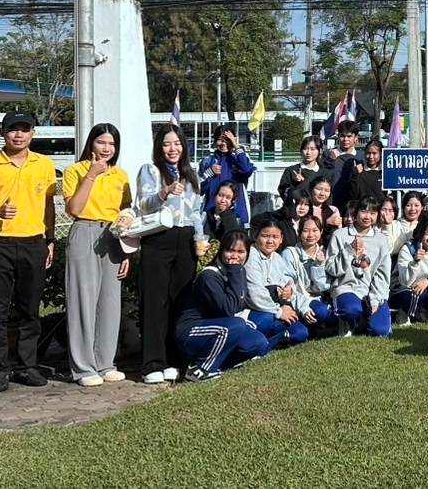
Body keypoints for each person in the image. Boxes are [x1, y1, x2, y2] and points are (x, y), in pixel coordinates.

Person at [0, 111, 58, 393]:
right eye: (13, 129)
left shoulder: (44, 164)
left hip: (34, 244)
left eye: (24, 129)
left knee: (30, 309)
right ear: (2, 133)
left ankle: (26, 366)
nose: (19, 135)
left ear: (33, 133)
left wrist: (50, 240)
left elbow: (48, 207)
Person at [135, 124, 209, 385]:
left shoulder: (191, 173)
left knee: (180, 301)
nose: (172, 149)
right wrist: (164, 192)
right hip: (158, 238)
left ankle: (173, 359)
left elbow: (197, 213)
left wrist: (200, 240)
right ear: (159, 147)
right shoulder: (151, 170)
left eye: (177, 143)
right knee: (155, 302)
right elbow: (143, 205)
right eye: (167, 144)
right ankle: (152, 363)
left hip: (185, 240)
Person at [61, 123, 132, 388]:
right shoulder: (75, 171)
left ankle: (105, 363)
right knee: (83, 300)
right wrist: (91, 174)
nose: (106, 148)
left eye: (112, 144)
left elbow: (127, 215)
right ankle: (83, 367)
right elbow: (74, 209)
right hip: (85, 231)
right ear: (91, 143)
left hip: (113, 236)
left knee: (110, 303)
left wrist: (127, 251)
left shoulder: (121, 176)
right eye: (101, 142)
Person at [173, 231, 272, 382]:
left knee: (258, 343)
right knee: (236, 325)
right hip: (192, 330)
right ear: (221, 251)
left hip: (219, 325)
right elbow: (229, 310)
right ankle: (199, 370)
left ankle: (219, 366)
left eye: (241, 252)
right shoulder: (209, 276)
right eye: (230, 250)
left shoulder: (236, 271)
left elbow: (239, 303)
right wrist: (235, 271)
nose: (235, 256)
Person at [326, 196, 393, 337]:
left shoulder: (381, 240)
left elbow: (382, 274)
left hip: (371, 291)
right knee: (352, 310)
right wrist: (349, 250)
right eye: (364, 211)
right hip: (346, 288)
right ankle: (347, 321)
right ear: (355, 213)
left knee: (380, 331)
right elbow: (331, 269)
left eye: (373, 213)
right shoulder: (340, 235)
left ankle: (363, 321)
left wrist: (375, 300)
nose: (368, 217)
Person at [244, 221, 313, 348]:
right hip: (255, 310)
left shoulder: (277, 258)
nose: (270, 241)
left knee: (301, 333)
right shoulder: (250, 256)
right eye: (265, 236)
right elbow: (255, 294)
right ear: (256, 236)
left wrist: (290, 294)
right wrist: (280, 311)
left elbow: (287, 284)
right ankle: (260, 345)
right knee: (267, 320)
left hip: (275, 306)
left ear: (281, 239)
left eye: (275, 237)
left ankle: (276, 338)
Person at [199, 126, 256, 227]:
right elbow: (199, 189)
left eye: (227, 140)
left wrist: (236, 146)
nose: (224, 143)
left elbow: (247, 170)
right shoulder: (207, 161)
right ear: (215, 141)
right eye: (220, 140)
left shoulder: (239, 158)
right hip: (211, 214)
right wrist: (209, 173)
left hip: (236, 214)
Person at [283, 215, 335, 322]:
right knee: (321, 312)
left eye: (315, 230)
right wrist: (303, 307)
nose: (310, 235)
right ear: (299, 232)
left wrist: (319, 265)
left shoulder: (324, 253)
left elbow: (322, 287)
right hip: (297, 300)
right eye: (306, 231)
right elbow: (289, 288)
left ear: (321, 232)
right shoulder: (290, 254)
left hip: (319, 299)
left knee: (328, 314)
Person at [278, 135, 327, 204]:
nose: (308, 152)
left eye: (312, 149)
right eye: (305, 149)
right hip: (298, 208)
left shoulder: (325, 173)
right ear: (301, 151)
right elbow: (283, 191)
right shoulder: (291, 171)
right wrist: (295, 184)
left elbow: (328, 195)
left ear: (320, 151)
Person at [327, 122, 362, 209]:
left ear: (356, 138)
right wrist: (330, 160)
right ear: (338, 136)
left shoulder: (362, 157)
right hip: (333, 202)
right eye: (342, 136)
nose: (345, 139)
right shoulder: (328, 155)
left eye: (349, 136)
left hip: (355, 203)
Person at [388, 191, 426, 257]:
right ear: (403, 207)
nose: (412, 209)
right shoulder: (393, 225)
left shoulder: (425, 226)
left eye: (416, 205)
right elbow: (388, 249)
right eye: (408, 205)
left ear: (422, 207)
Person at [349, 138, 385, 206]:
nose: (371, 156)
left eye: (374, 153)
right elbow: (353, 194)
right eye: (368, 153)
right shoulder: (359, 170)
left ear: (381, 154)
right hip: (362, 208)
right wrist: (355, 174)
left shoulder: (385, 172)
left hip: (380, 209)